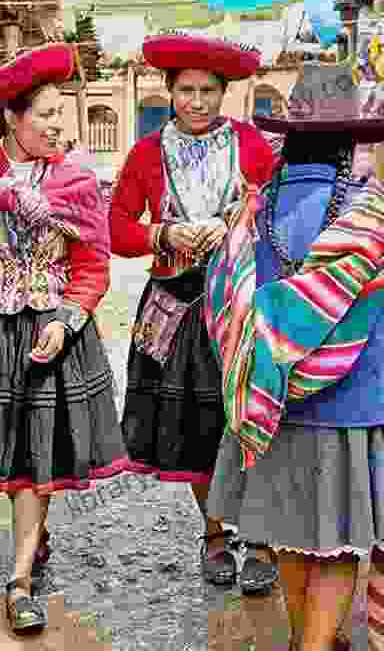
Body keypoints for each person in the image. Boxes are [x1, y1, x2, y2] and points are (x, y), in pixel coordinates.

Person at [0, 42, 130, 633]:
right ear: (10, 119)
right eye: (44, 113)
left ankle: (18, 581)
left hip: (50, 334)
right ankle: (30, 541)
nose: (57, 124)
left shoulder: (76, 181)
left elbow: (94, 265)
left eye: (59, 112)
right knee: (8, 458)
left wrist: (67, 320)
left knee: (36, 461)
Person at [205, 62, 384, 650]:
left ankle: (305, 641)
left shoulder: (252, 212)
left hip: (268, 396)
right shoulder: (369, 216)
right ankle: (314, 645)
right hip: (351, 399)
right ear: (350, 139)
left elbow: (224, 300)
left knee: (288, 531)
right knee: (334, 537)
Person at [109, 30, 279, 591]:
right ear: (170, 90)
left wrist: (242, 222)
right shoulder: (145, 154)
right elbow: (118, 229)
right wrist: (165, 231)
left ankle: (258, 538)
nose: (197, 102)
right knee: (197, 426)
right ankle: (213, 533)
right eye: (186, 90)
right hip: (178, 307)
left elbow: (276, 214)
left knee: (246, 419)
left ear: (224, 92)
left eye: (208, 90)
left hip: (243, 305)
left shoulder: (251, 146)